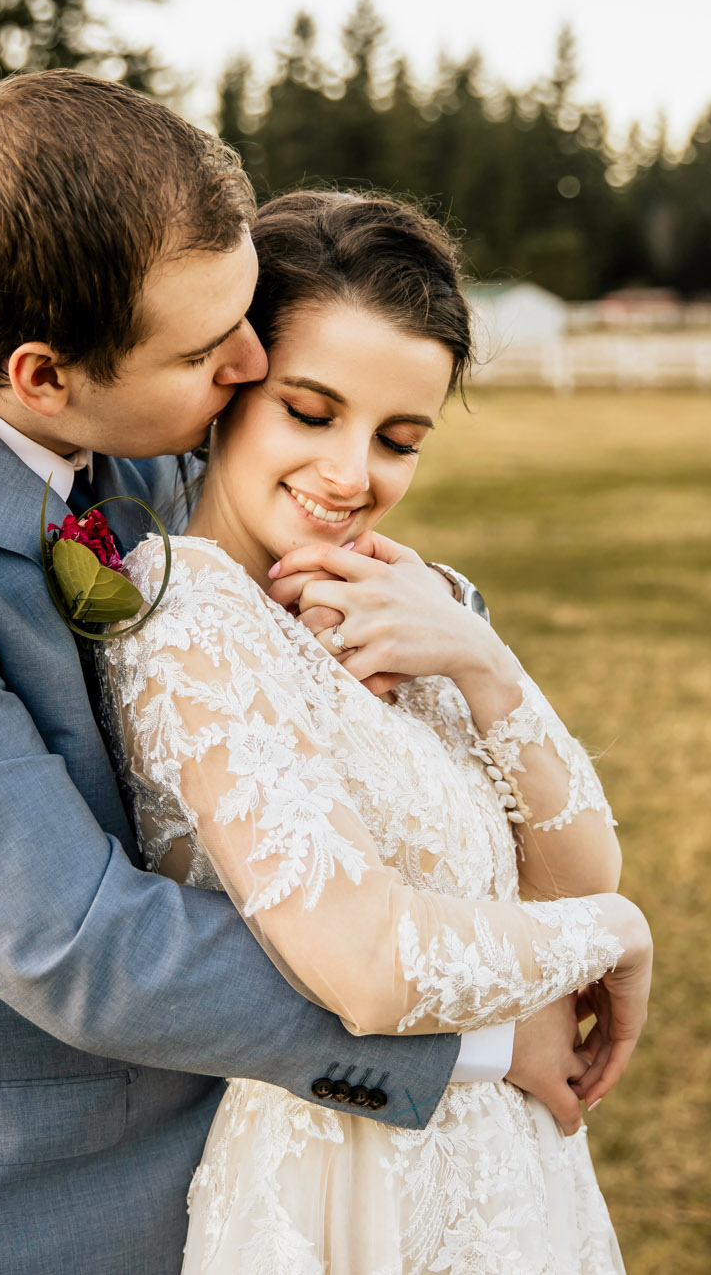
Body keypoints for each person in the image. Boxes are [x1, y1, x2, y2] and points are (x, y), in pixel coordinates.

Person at [0, 69, 597, 1275]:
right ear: (42, 374)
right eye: (207, 347)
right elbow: (80, 944)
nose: (247, 360)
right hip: (10, 1215)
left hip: (244, 1170)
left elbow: (287, 523)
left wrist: (456, 645)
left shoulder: (137, 408)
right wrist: (481, 1041)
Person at [98, 190, 653, 1274]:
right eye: (311, 412)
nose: (354, 476)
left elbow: (576, 867)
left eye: (398, 439)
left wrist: (479, 660)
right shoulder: (186, 617)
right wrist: (618, 935)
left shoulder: (403, 597)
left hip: (508, 1184)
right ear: (232, 382)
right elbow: (367, 964)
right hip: (344, 1178)